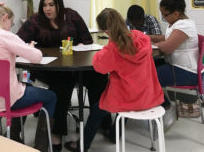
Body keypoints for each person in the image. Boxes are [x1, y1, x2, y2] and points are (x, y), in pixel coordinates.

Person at [17, 0, 110, 151]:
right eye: (45, 5)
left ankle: (103, 122)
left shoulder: (72, 16)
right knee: (63, 84)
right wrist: (30, 47)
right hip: (48, 68)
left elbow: (87, 39)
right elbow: (18, 41)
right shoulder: (35, 20)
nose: (47, 9)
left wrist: (81, 45)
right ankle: (57, 134)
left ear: (59, 4)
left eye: (51, 4)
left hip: (75, 65)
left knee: (99, 77)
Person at [64, 8, 164, 151]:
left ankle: (82, 145)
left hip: (128, 98)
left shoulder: (112, 50)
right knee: (126, 99)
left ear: (106, 31)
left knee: (97, 110)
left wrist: (108, 46)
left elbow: (99, 67)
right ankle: (113, 134)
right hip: (149, 94)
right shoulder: (141, 37)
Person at [0, 2, 56, 152]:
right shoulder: (6, 36)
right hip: (10, 99)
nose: (11, 27)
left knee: (28, 87)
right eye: (11, 23)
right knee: (51, 96)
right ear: (5, 18)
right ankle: (41, 147)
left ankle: (14, 135)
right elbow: (36, 57)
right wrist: (30, 48)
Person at [151, 0, 201, 102]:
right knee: (147, 68)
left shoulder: (184, 26)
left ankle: (165, 106)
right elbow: (167, 38)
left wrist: (155, 44)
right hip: (177, 67)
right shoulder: (177, 23)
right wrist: (148, 38)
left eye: (165, 15)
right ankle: (162, 105)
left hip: (186, 72)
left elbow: (167, 48)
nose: (163, 18)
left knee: (147, 76)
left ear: (176, 13)